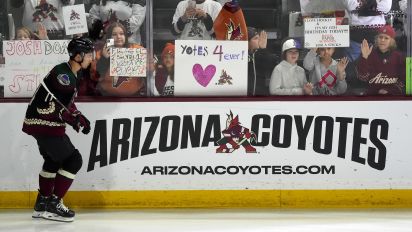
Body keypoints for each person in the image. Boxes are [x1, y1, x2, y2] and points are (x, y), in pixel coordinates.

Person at [22, 37, 94, 222]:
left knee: (53, 161)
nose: (91, 58)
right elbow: (61, 107)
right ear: (78, 56)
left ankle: (42, 203)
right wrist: (76, 120)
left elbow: (64, 102)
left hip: (40, 123)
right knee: (74, 160)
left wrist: (77, 115)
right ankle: (54, 204)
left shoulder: (67, 71)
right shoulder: (65, 76)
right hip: (45, 124)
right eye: (88, 54)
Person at [91, 22, 146, 96]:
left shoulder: (136, 50)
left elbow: (150, 71)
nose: (118, 37)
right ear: (109, 38)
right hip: (107, 98)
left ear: (126, 36)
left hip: (135, 97)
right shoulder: (100, 54)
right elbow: (95, 77)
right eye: (114, 34)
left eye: (121, 33)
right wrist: (104, 59)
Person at [356, 25, 405, 95]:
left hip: (393, 97)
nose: (382, 40)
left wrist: (390, 90)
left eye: (386, 38)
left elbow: (403, 81)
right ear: (376, 39)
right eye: (380, 37)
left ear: (392, 41)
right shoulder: (368, 54)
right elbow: (362, 78)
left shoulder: (398, 57)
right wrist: (364, 58)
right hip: (372, 96)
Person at [247, 27, 272, 96]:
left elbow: (269, 65)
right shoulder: (241, 56)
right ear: (247, 41)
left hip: (259, 95)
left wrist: (263, 49)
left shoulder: (261, 53)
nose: (259, 41)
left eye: (259, 38)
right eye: (255, 38)